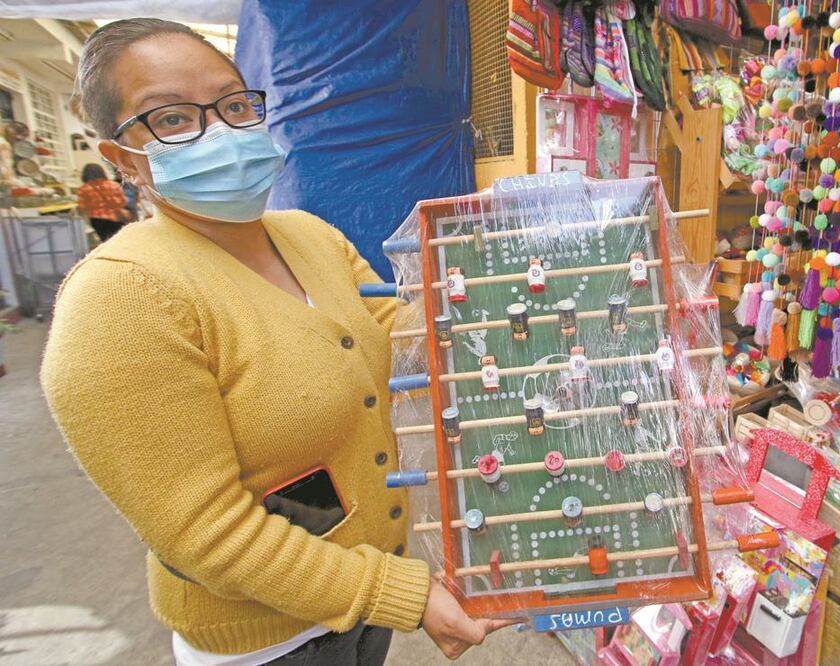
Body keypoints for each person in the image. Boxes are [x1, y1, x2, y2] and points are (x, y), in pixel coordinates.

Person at [41, 19, 514, 665]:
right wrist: (398, 592)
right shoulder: (121, 302)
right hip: (263, 643)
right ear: (122, 157)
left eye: (234, 105)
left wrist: (503, 301)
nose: (221, 133)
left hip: (360, 607)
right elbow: (207, 533)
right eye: (172, 118)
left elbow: (393, 338)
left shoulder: (307, 236)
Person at [76, 162, 130, 241]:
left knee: (105, 241)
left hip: (97, 220)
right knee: (119, 239)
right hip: (116, 217)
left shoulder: (83, 189)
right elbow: (122, 202)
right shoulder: (113, 185)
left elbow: (83, 207)